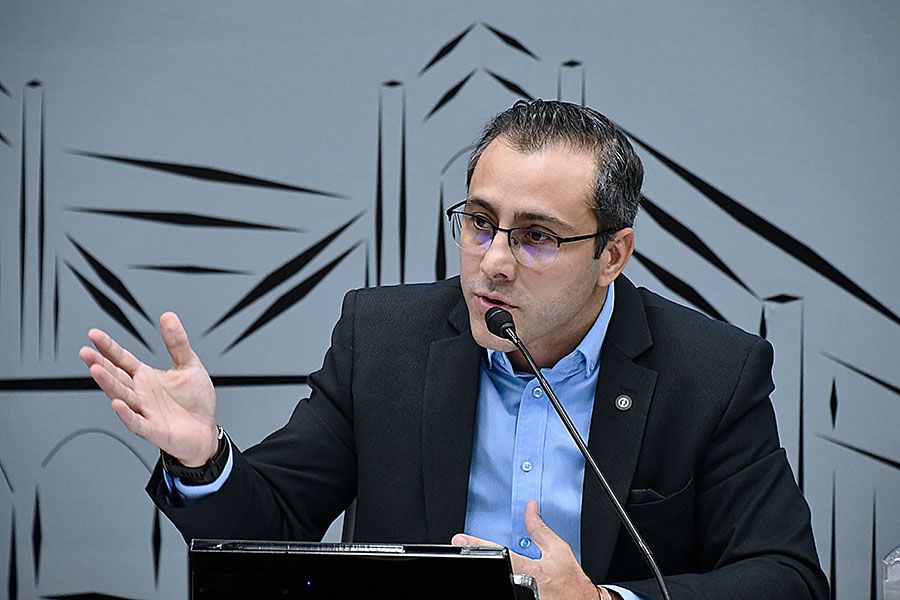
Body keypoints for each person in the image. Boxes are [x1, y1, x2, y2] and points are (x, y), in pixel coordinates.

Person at [80, 100, 828, 599]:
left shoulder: (711, 372)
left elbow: (786, 577)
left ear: (612, 254)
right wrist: (202, 457)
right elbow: (270, 531)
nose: (493, 262)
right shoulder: (385, 342)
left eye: (537, 237)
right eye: (479, 222)